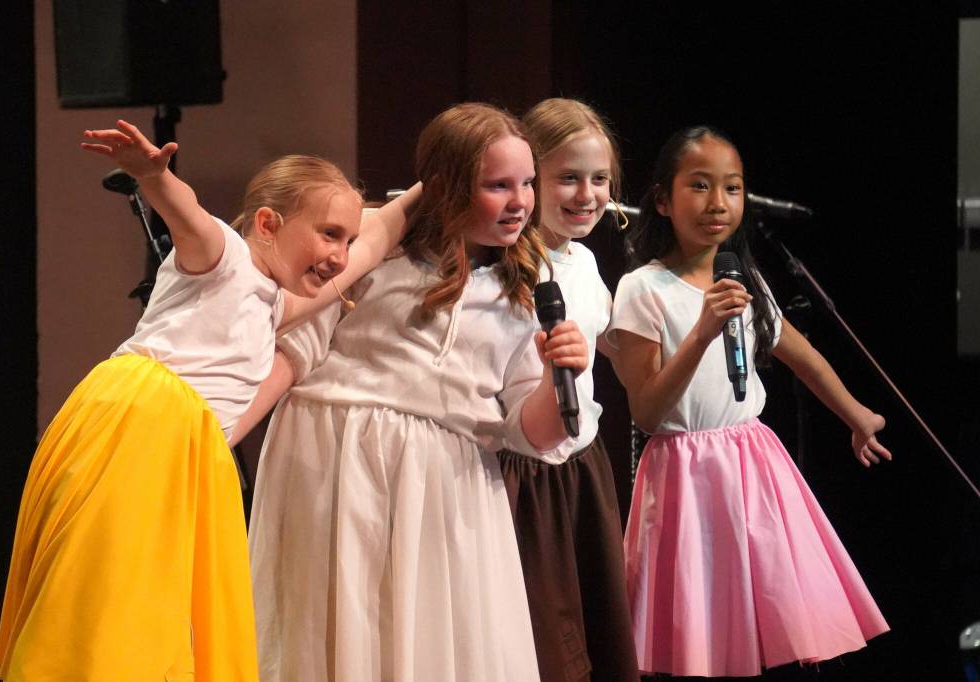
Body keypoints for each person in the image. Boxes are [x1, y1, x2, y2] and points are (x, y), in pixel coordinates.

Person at [0, 119, 419, 681]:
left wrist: (439, 183)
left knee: (159, 615)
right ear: (268, 223)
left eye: (345, 238)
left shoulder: (274, 307)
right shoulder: (224, 260)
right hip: (139, 431)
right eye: (329, 234)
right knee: (110, 600)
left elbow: (377, 237)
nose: (341, 256)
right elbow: (188, 215)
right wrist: (155, 177)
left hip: (185, 454)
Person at [247, 102, 588, 682]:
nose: (522, 201)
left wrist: (563, 382)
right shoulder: (378, 251)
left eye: (528, 183)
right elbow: (297, 344)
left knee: (425, 646)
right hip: (331, 462)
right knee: (327, 633)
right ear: (448, 186)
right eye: (498, 185)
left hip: (442, 487)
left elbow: (528, 432)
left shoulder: (531, 286)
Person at [609, 125, 891, 677]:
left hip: (753, 462)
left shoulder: (746, 278)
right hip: (684, 473)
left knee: (770, 614)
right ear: (663, 200)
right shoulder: (643, 289)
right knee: (701, 626)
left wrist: (856, 416)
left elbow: (800, 354)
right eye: (699, 186)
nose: (718, 203)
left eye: (732, 188)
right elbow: (646, 410)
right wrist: (701, 332)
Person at [495, 97, 639, 682]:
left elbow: (613, 345)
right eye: (568, 178)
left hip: (582, 468)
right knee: (541, 644)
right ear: (532, 182)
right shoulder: (505, 266)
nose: (587, 194)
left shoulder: (583, 262)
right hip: (522, 479)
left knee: (594, 634)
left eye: (599, 179)